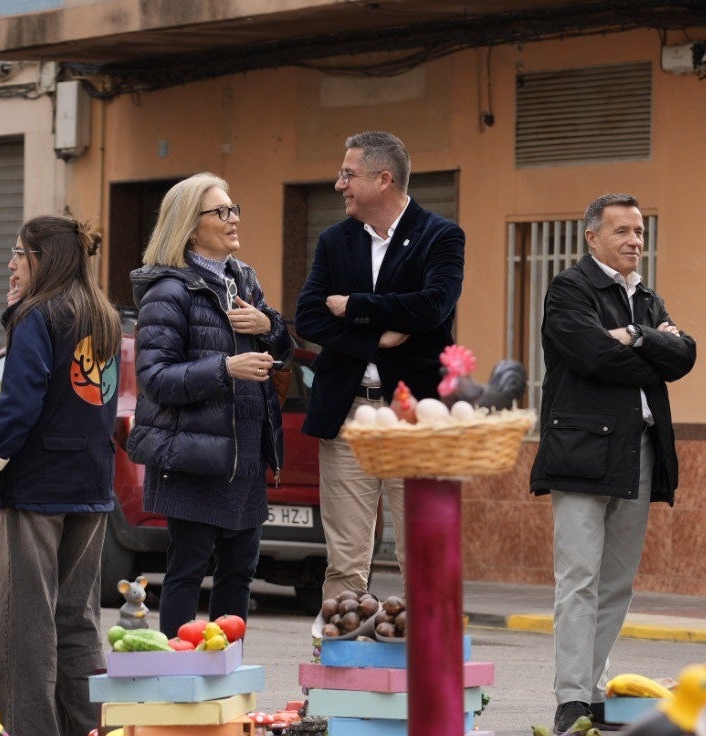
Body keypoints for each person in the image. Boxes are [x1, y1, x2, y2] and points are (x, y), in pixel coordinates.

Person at [530, 193, 696, 732]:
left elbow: (685, 356)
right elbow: (593, 356)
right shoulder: (569, 290)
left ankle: (594, 687)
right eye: (622, 231)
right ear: (592, 237)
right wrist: (652, 352)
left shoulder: (644, 298)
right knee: (579, 577)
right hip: (582, 452)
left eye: (640, 233)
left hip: (638, 450)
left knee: (617, 582)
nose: (634, 242)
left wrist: (638, 336)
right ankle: (572, 698)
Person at [0, 215, 121, 736]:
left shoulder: (37, 315)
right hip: (92, 488)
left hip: (39, 490)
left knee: (19, 631)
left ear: (43, 260)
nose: (10, 263)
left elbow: (18, 407)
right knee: (76, 624)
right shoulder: (104, 315)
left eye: (18, 252)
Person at [295, 131, 465, 600]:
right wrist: (378, 336)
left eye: (348, 174)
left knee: (422, 554)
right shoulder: (333, 241)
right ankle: (339, 658)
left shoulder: (441, 236)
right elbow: (308, 316)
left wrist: (351, 306)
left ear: (383, 179)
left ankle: (422, 664)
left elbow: (432, 306)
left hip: (415, 416)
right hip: (348, 415)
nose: (338, 184)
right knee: (345, 559)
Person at [128, 173, 292, 638]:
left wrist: (271, 325)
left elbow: (281, 358)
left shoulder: (244, 280)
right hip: (193, 460)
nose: (233, 218)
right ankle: (178, 682)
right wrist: (225, 368)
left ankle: (224, 677)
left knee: (239, 576)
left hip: (244, 458)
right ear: (189, 225)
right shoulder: (169, 292)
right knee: (186, 572)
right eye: (220, 212)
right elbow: (154, 380)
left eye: (233, 207)